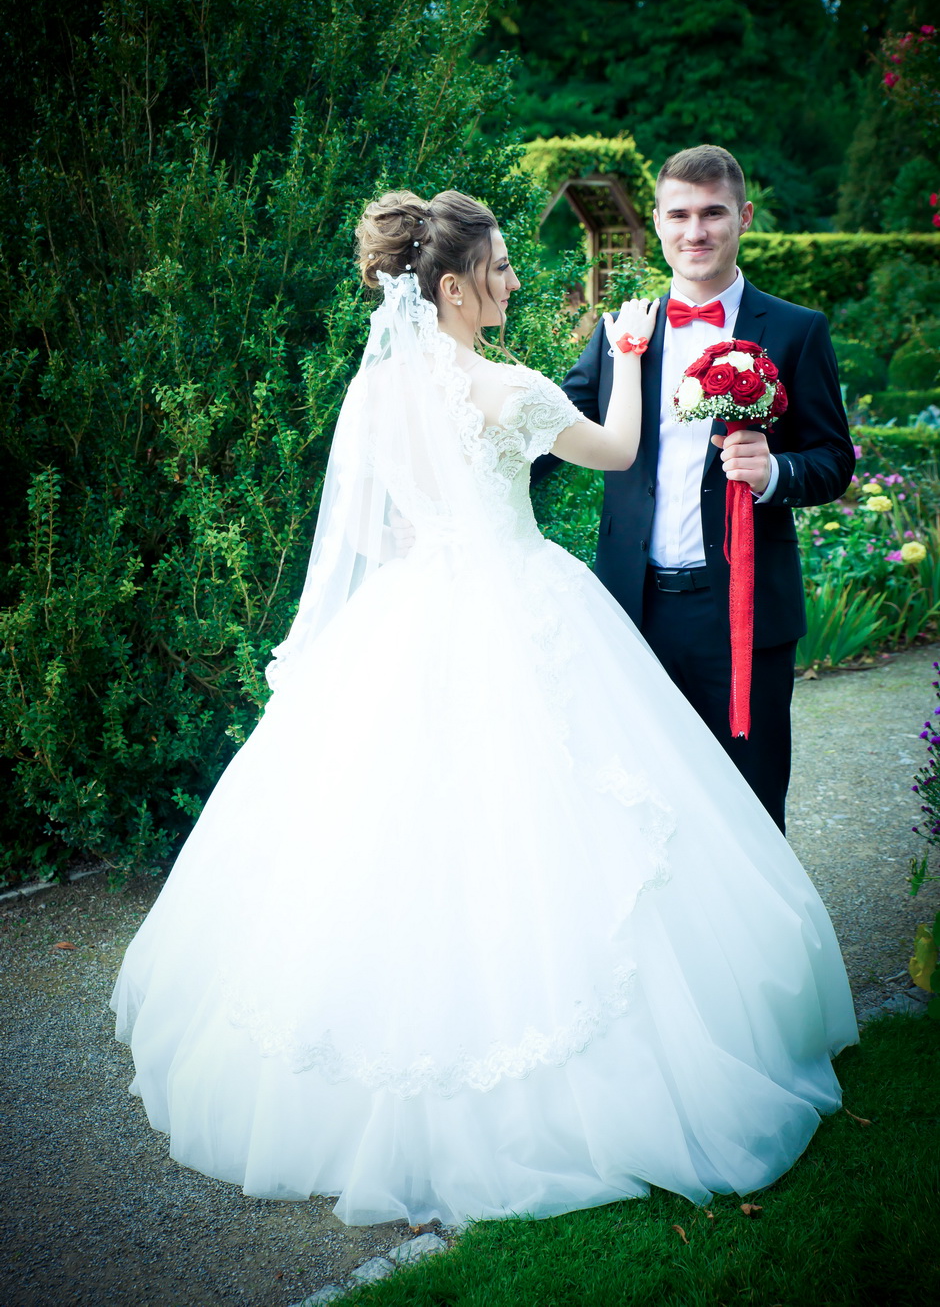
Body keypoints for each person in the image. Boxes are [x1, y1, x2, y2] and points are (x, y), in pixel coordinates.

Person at [112, 189, 857, 1229]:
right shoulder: (508, 389)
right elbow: (617, 450)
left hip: (409, 619)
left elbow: (387, 524)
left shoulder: (375, 395)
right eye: (501, 268)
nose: (514, 281)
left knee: (401, 832)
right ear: (454, 289)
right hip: (517, 605)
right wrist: (632, 358)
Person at [533, 145, 855, 834]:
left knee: (751, 809)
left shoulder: (796, 331)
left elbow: (832, 458)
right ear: (657, 222)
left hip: (742, 614)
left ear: (743, 217)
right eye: (679, 214)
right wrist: (467, 480)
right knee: (640, 811)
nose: (696, 231)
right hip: (631, 611)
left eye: (713, 213)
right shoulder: (623, 329)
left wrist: (776, 474)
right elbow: (553, 432)